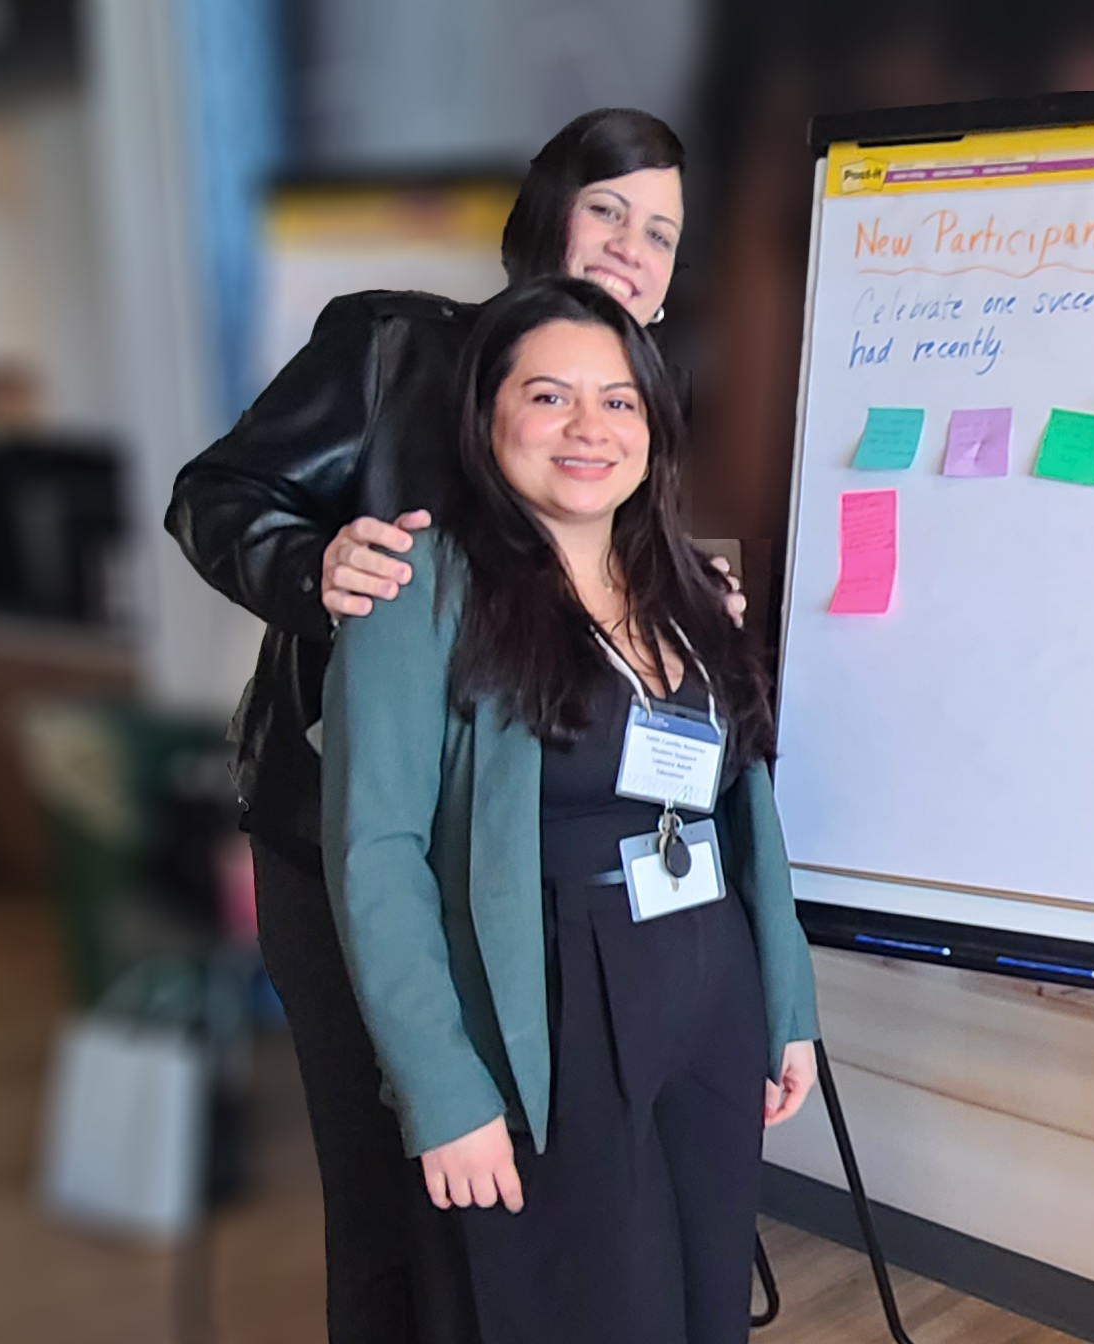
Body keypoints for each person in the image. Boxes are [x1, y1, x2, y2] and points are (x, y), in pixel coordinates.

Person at [162, 108, 686, 1342]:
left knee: (509, 1203)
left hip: (526, 880)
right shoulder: (394, 347)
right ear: (543, 216)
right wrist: (311, 563)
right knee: (394, 1189)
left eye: (660, 232)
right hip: (349, 849)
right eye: (608, 207)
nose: (631, 245)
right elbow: (216, 494)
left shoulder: (624, 413)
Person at [328, 276, 821, 1343]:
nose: (590, 428)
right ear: (486, 416)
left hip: (707, 989)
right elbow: (378, 853)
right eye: (550, 398)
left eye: (620, 400)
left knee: (702, 1312)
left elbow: (747, 809)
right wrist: (441, 1090)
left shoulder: (689, 586)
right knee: (584, 1314)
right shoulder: (417, 586)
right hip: (548, 1011)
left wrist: (787, 1004)